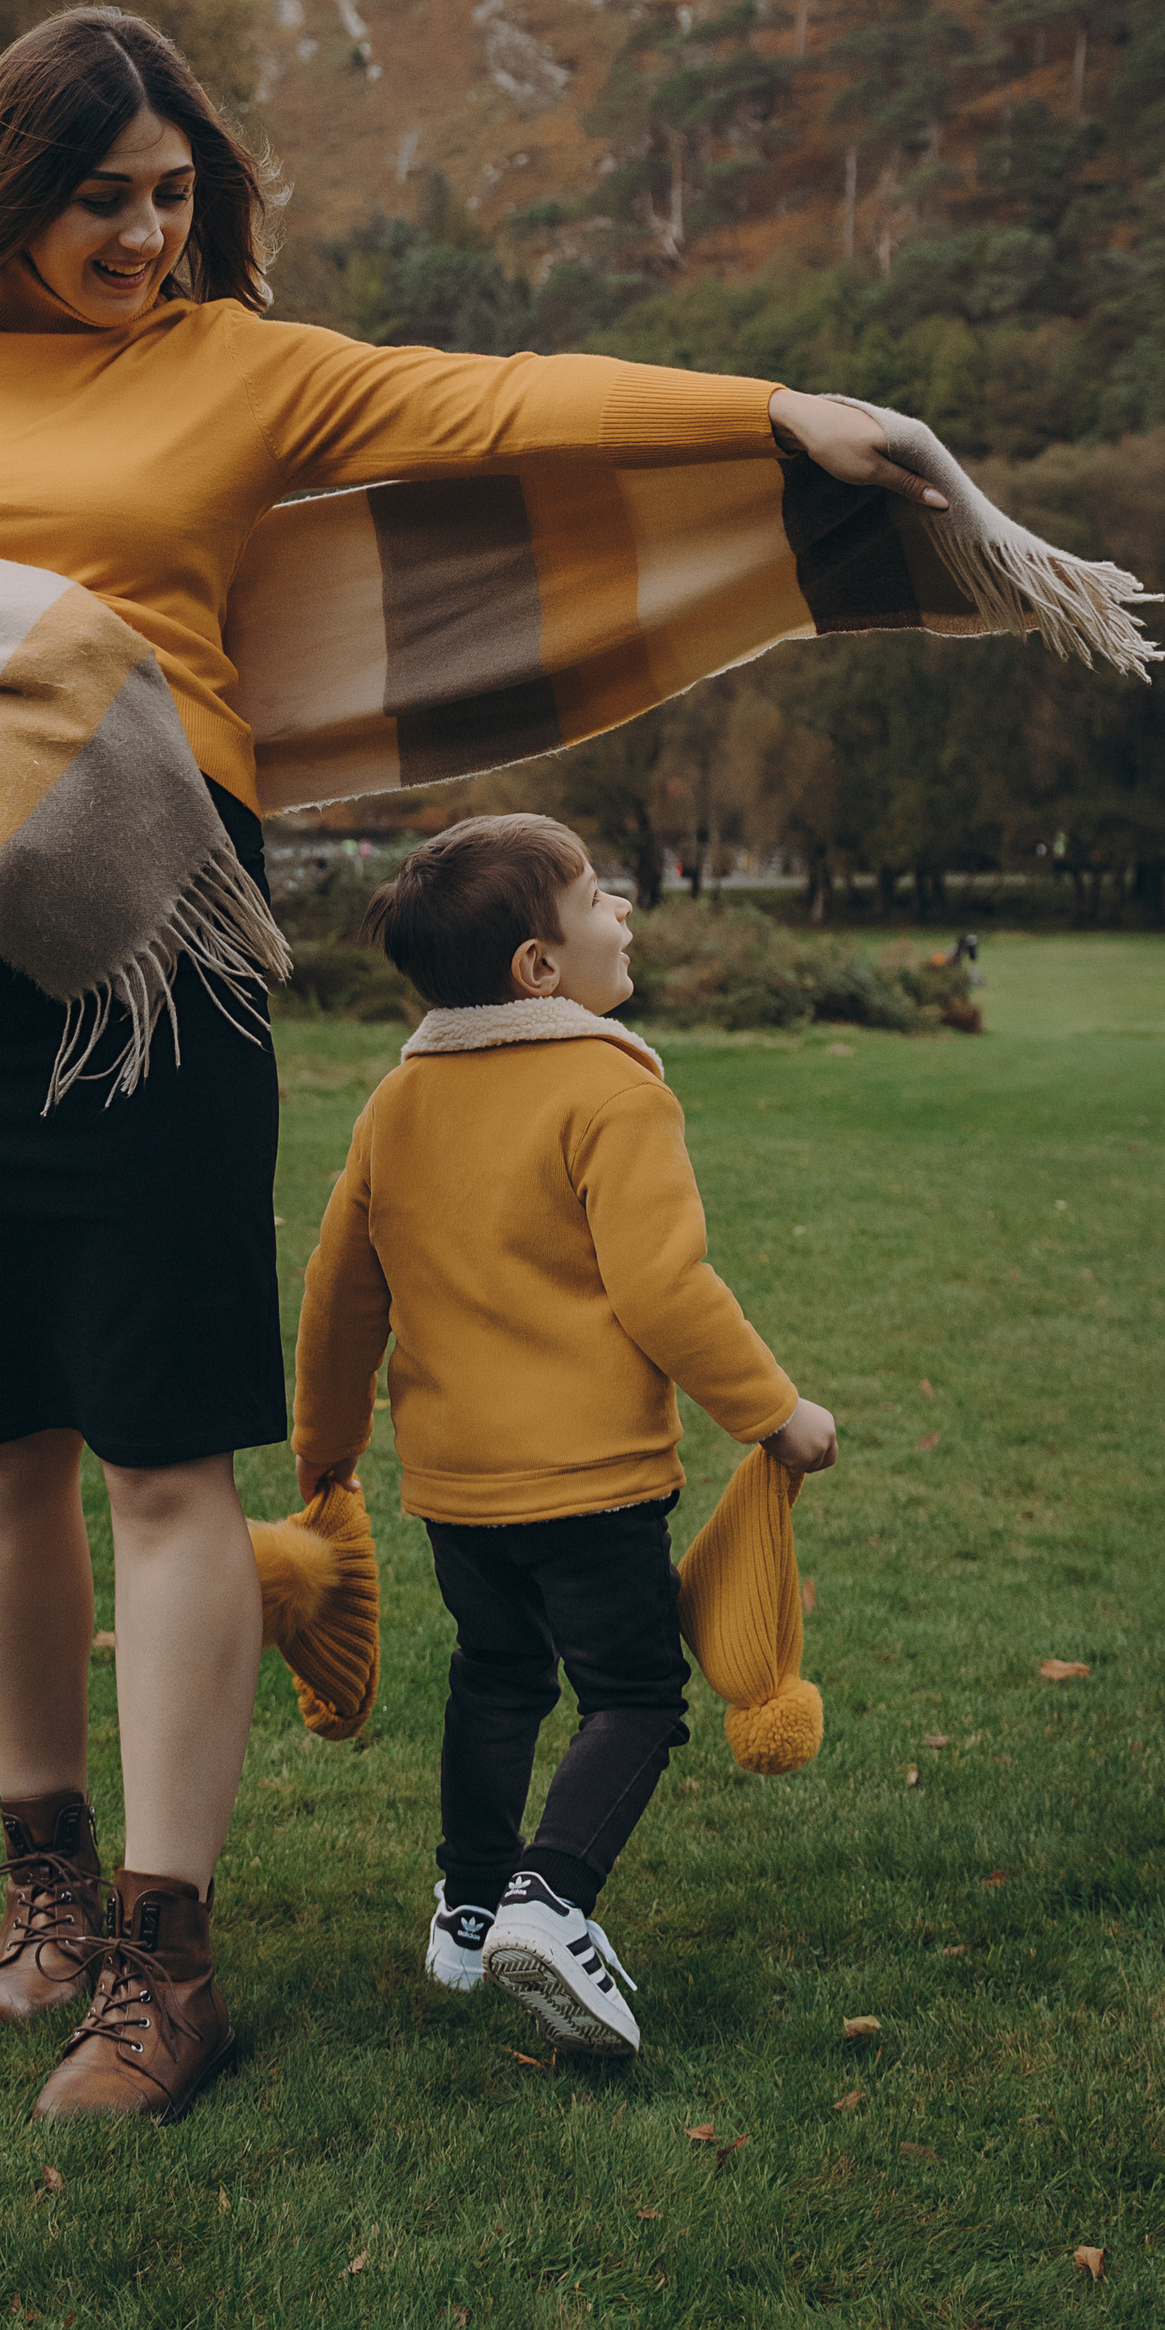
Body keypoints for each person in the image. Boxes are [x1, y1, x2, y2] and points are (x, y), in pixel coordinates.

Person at [0, 6, 931, 2122]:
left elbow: (503, 404)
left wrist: (774, 410)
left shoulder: (237, 363)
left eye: (171, 197)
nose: (142, 237)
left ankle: (168, 1957)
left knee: (161, 1456)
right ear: (7, 192)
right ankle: (45, 1887)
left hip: (163, 935)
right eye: (100, 199)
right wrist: (1, 677)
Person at [292, 812, 838, 2058]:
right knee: (634, 1695)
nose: (623, 911)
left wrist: (324, 1447)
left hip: (454, 1488)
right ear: (539, 968)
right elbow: (664, 1287)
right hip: (591, 1481)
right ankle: (549, 1900)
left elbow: (338, 1295)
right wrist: (775, 1413)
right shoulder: (610, 1088)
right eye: (597, 898)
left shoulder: (395, 1103)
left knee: (495, 1678)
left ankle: (467, 1909)